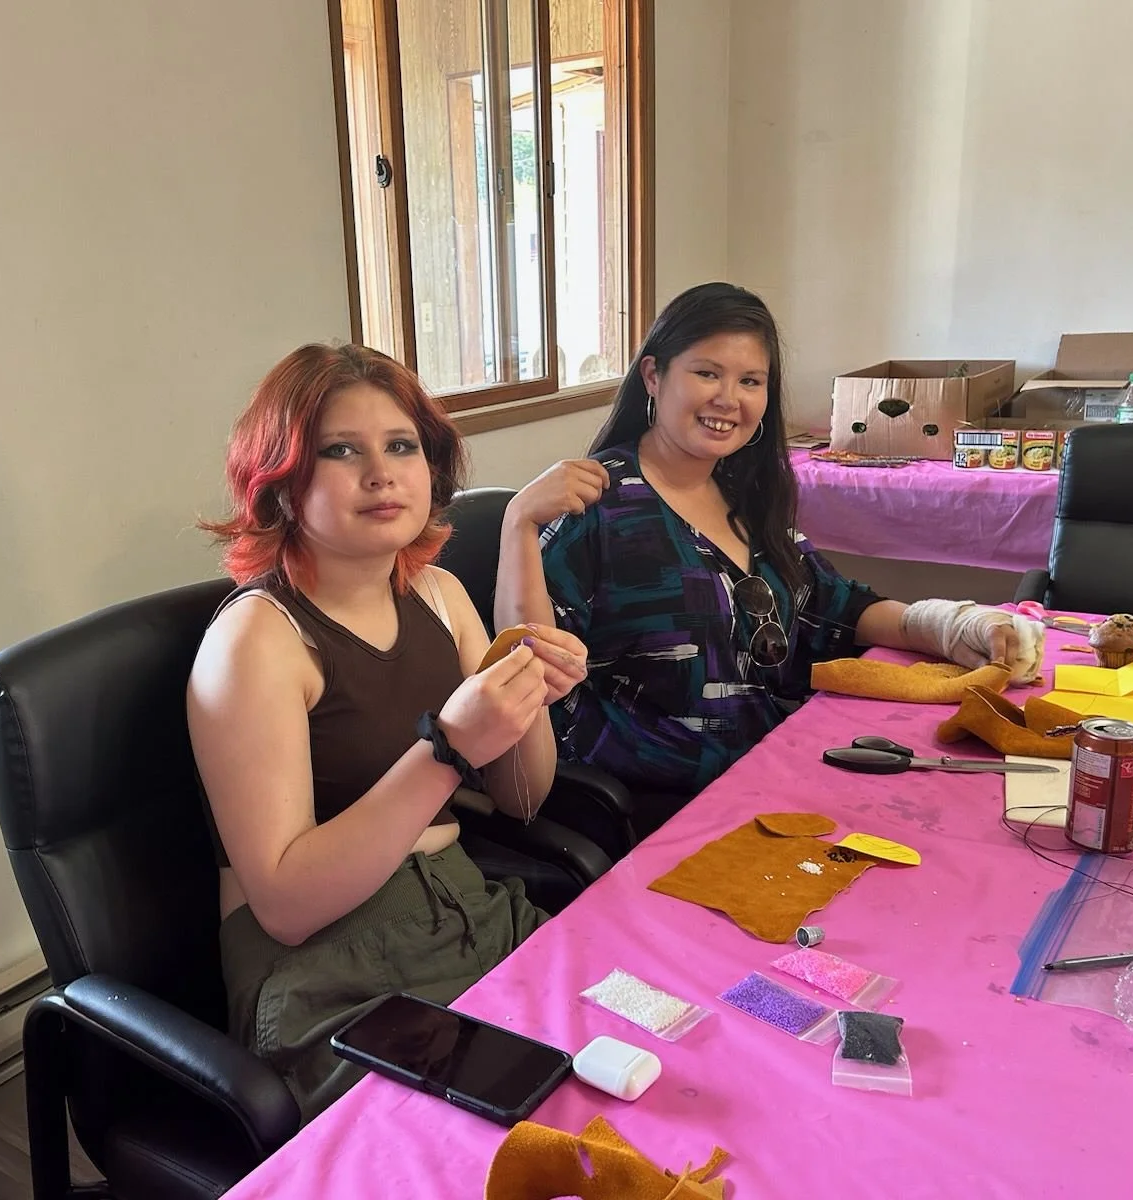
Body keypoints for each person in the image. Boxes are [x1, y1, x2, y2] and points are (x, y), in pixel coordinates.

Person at [187, 342, 587, 1119]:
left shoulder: (439, 595)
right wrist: (448, 750)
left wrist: (529, 694)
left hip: (467, 909)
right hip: (330, 971)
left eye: (401, 446)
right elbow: (287, 907)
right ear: (281, 483)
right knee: (497, 1138)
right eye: (341, 451)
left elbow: (523, 798)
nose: (382, 474)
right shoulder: (256, 640)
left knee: (632, 1048)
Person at [494, 282, 1035, 836]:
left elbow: (834, 606)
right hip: (660, 810)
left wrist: (953, 626)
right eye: (707, 373)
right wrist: (519, 523)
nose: (729, 399)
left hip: (773, 771)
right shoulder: (596, 506)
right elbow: (530, 669)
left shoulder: (745, 494)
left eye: (750, 381)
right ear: (653, 376)